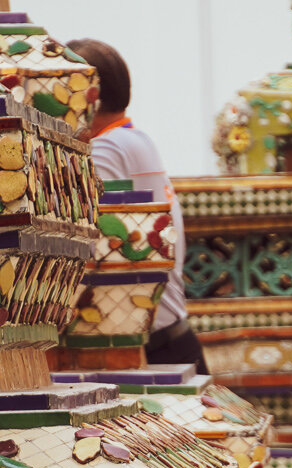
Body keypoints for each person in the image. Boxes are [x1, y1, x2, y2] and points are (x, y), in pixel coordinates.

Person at [65, 37, 208, 375]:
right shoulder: (133, 139)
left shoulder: (105, 149)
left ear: (88, 95)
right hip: (171, 335)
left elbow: (104, 241)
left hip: (148, 349)